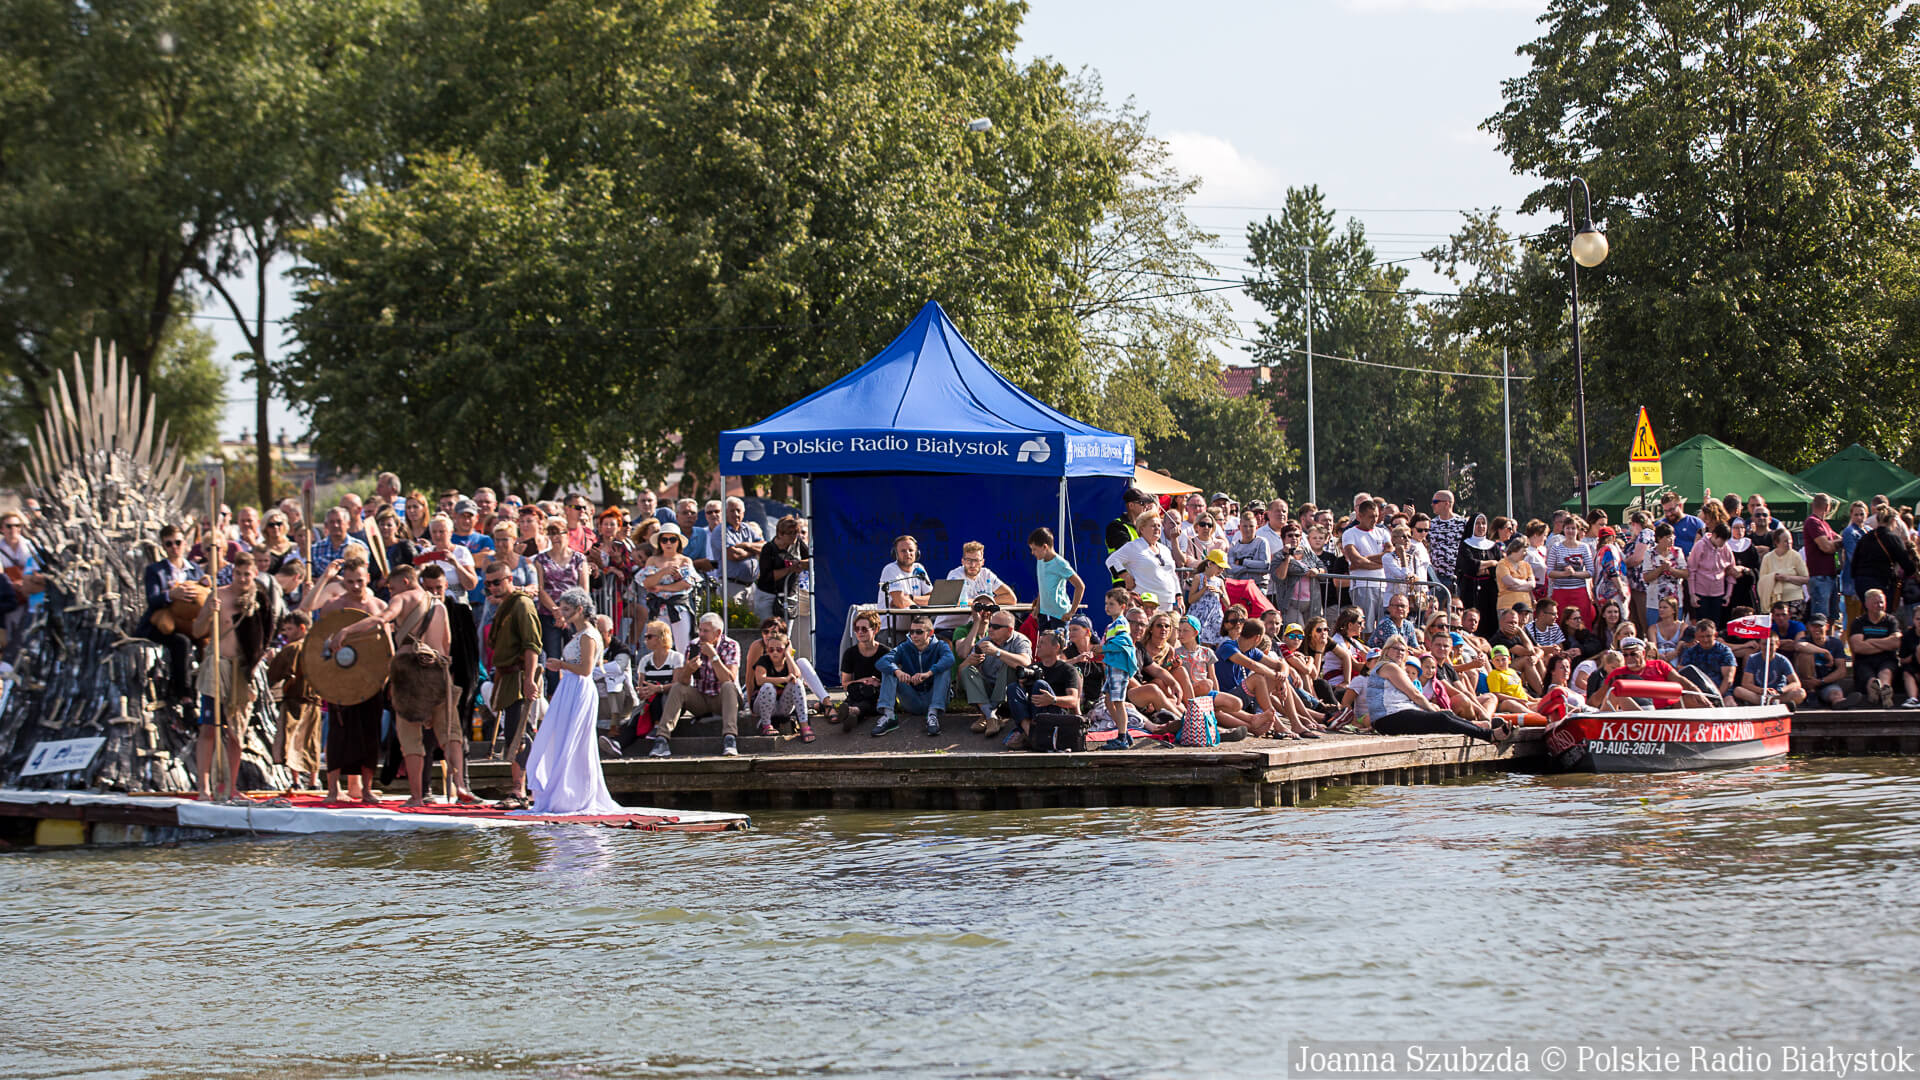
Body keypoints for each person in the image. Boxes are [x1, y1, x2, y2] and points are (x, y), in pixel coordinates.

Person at [331, 564, 477, 806]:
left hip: (411, 671)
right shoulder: (439, 604)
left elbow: (382, 619)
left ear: (406, 582)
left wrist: (346, 630)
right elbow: (447, 644)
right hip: (440, 671)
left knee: (410, 736)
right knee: (450, 733)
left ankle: (417, 796)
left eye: (392, 587)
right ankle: (460, 784)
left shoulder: (403, 598)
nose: (390, 592)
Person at [513, 588, 624, 815]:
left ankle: (572, 794)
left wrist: (561, 665)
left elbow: (586, 669)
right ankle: (563, 790)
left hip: (579, 688)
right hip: (570, 688)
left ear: (579, 610)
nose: (561, 612)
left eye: (566, 609)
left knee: (574, 740)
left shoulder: (588, 635)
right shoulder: (577, 634)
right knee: (563, 738)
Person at [189, 548, 273, 801]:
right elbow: (197, 631)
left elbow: (266, 632)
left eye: (247, 574)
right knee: (208, 728)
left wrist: (255, 663)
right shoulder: (218, 596)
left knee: (236, 732)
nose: (242, 579)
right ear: (233, 573)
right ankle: (204, 788)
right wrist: (207, 612)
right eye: (238, 574)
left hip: (242, 670)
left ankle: (231, 787)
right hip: (217, 665)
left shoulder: (260, 599)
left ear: (254, 574)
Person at [302, 555, 386, 803]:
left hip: (370, 679)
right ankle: (332, 790)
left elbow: (387, 644)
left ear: (368, 578)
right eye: (350, 582)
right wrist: (325, 578)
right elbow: (308, 612)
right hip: (340, 677)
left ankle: (367, 789)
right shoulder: (334, 605)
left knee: (369, 733)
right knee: (338, 734)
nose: (356, 586)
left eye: (360, 581)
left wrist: (387, 676)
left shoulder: (379, 607)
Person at [1367, 635, 1511, 741]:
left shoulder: (1392, 667)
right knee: (1442, 718)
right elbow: (1415, 694)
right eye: (1395, 649)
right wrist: (1430, 708)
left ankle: (1479, 727)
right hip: (1388, 719)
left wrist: (1432, 709)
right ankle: (1489, 735)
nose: (1399, 652)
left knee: (1446, 714)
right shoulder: (1389, 666)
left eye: (1403, 650)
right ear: (1386, 650)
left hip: (1393, 716)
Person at [483, 562, 544, 792]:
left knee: (520, 733)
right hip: (508, 677)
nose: (493, 588)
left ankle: (522, 790)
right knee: (512, 733)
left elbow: (532, 646)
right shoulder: (505, 605)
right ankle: (519, 787)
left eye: (497, 582)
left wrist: (529, 680)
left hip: (520, 677)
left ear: (509, 579)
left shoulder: (521, 604)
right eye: (488, 584)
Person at [654, 612, 745, 757]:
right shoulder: (693, 645)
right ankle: (662, 739)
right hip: (701, 698)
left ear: (718, 633)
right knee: (678, 688)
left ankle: (730, 738)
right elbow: (683, 682)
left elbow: (729, 678)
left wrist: (713, 656)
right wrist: (689, 669)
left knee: (728, 686)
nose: (701, 634)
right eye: (700, 630)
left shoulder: (731, 645)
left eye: (705, 631)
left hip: (724, 700)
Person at [138, 525, 207, 710]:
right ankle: (184, 695)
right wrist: (171, 595)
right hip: (162, 623)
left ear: (185, 543)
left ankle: (210, 690)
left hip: (189, 622)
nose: (174, 547)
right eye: (169, 544)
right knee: (181, 643)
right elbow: (152, 599)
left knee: (206, 640)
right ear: (163, 547)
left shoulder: (194, 570)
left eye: (177, 542)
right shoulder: (156, 570)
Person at [872, 612, 956, 737]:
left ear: (930, 633)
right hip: (912, 699)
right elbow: (882, 662)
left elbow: (950, 659)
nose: (914, 635)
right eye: (911, 632)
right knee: (889, 669)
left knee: (943, 669)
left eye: (919, 632)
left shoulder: (940, 646)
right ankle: (889, 716)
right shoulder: (904, 647)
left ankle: (932, 716)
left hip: (935, 699)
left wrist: (928, 673)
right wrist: (898, 671)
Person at [1001, 628, 1085, 751]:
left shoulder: (1067, 669)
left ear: (1056, 647)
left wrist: (1053, 699)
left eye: (1042, 643)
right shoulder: (1033, 668)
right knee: (1013, 688)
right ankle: (1032, 734)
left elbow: (1073, 700)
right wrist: (1023, 685)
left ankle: (1034, 736)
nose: (1038, 646)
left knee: (1040, 684)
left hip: (1055, 715)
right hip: (1033, 716)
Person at [266, 611, 323, 789]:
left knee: (292, 740)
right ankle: (313, 782)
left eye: (289, 629)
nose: (286, 633)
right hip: (315, 701)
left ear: (302, 628)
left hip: (295, 700)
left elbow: (274, 674)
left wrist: (271, 661)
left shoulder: (292, 648)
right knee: (312, 741)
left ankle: (296, 782)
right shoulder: (320, 647)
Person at [956, 604, 1031, 736]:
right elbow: (961, 671)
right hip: (987, 692)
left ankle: (986, 716)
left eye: (996, 627)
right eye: (990, 625)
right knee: (967, 670)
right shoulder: (984, 642)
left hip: (1009, 696)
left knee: (1009, 663)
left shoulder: (1020, 640)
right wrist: (970, 662)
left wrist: (997, 653)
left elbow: (1025, 662)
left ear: (1009, 630)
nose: (990, 629)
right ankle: (992, 717)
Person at [1107, 511, 1183, 613]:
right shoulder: (1134, 546)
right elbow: (1111, 560)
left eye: (1159, 526)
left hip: (1167, 603)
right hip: (1146, 604)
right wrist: (1125, 576)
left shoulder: (1164, 549)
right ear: (1142, 529)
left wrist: (1179, 596)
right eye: (1153, 526)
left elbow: (1172, 574)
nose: (1157, 528)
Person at [747, 630, 813, 740]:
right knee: (768, 687)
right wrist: (784, 679)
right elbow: (760, 680)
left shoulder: (787, 661)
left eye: (779, 649)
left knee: (797, 684)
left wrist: (788, 655)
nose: (775, 653)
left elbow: (796, 675)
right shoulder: (763, 660)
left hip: (782, 706)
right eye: (771, 649)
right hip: (762, 704)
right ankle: (766, 725)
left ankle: (804, 725)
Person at [1849, 506, 1914, 609]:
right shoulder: (1893, 539)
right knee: (1882, 615)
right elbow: (1908, 566)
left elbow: (1854, 563)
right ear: (1893, 521)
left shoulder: (1865, 537)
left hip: (1861, 582)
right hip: (1881, 582)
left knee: (1869, 614)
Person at [585, 508, 637, 638]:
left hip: (615, 594)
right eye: (605, 524)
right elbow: (588, 566)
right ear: (600, 526)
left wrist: (618, 561)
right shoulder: (594, 546)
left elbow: (627, 572)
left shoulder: (620, 546)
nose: (608, 527)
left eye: (612, 524)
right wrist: (609, 569)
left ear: (618, 527)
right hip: (595, 592)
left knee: (612, 626)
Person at [753, 515, 812, 622]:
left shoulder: (797, 543)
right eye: (790, 533)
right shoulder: (768, 549)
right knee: (771, 630)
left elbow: (811, 560)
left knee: (785, 634)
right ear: (780, 534)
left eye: (796, 532)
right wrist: (790, 569)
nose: (794, 536)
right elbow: (767, 576)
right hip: (768, 595)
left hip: (789, 594)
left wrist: (799, 564)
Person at [1848, 588, 1901, 707]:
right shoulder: (1859, 622)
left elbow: (1897, 642)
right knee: (1870, 678)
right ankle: (1875, 691)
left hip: (1887, 659)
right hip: (1864, 660)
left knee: (1886, 672)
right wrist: (1886, 645)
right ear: (1867, 604)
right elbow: (1857, 647)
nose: (1880, 605)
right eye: (1876, 603)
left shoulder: (1891, 621)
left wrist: (1870, 641)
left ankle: (1885, 691)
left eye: (1882, 602)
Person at [1342, 499, 1391, 626]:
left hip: (1383, 586)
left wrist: (1366, 558)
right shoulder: (1349, 533)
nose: (1374, 520)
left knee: (1383, 625)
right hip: (1362, 585)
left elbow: (1390, 554)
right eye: (1370, 517)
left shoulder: (1383, 532)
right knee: (1365, 626)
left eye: (1376, 516)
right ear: (1360, 516)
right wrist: (1382, 562)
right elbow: (1356, 561)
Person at [838, 609, 888, 732]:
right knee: (853, 701)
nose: (860, 632)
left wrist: (878, 683)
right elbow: (845, 684)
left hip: (877, 696)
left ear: (875, 630)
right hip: (857, 693)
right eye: (857, 629)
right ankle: (851, 714)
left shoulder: (886, 653)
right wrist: (863, 681)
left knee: (868, 702)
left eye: (864, 629)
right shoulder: (850, 653)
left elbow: (894, 683)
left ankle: (850, 713)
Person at [1029, 527, 1085, 633]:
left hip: (1060, 616)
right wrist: (1038, 606)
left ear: (1045, 547)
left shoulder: (1060, 564)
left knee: (1059, 647)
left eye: (1034, 549)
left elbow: (1080, 586)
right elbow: (1043, 586)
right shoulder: (1040, 561)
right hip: (1044, 614)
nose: (1032, 552)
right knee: (1044, 646)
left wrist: (1072, 612)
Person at [709, 496, 764, 601]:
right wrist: (753, 551)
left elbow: (764, 546)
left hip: (751, 586)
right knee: (733, 616)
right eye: (732, 511)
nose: (736, 514)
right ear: (725, 513)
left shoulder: (746, 528)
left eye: (738, 511)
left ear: (743, 513)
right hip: (732, 585)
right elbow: (734, 555)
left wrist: (746, 545)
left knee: (753, 617)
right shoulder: (720, 531)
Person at [1797, 613, 1856, 709]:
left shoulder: (1835, 643)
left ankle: (1839, 703)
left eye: (1820, 626)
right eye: (1814, 626)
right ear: (1809, 627)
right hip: (1807, 683)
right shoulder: (1805, 640)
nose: (1816, 629)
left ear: (1827, 627)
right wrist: (1824, 652)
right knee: (1805, 654)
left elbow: (1842, 671)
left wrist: (1821, 681)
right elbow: (1799, 646)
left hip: (1826, 682)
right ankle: (1811, 694)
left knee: (1836, 693)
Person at [1688, 523, 1736, 627]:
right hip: (1701, 592)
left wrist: (1728, 594)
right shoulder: (1700, 546)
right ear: (1714, 535)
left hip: (1718, 593)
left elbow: (1731, 571)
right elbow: (1692, 570)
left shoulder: (1726, 548)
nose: (1722, 543)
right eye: (1721, 540)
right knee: (1702, 624)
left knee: (1716, 625)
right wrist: (1692, 594)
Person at [1677, 618, 1737, 697]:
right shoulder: (1690, 652)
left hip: (1722, 692)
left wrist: (1717, 697)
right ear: (1696, 636)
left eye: (1709, 636)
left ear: (1715, 635)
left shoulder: (1725, 651)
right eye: (1702, 636)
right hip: (1698, 692)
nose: (1705, 640)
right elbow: (1683, 673)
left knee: (1730, 705)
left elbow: (1728, 679)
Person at [877, 534, 933, 612]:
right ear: (895, 554)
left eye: (911, 550)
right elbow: (900, 602)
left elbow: (933, 599)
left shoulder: (919, 568)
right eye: (903, 551)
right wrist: (920, 603)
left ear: (917, 553)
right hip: (891, 624)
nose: (907, 553)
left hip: (914, 622)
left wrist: (910, 598)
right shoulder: (890, 569)